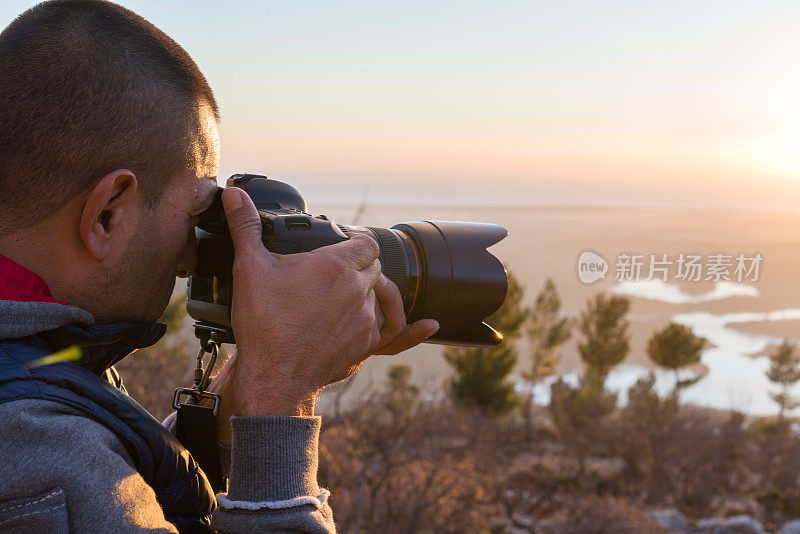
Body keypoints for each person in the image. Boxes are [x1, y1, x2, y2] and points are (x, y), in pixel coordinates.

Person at [0, 1, 439, 532]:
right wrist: (282, 399)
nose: (191, 257)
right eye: (195, 214)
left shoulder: (34, 367)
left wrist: (241, 406)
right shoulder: (41, 462)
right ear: (108, 215)